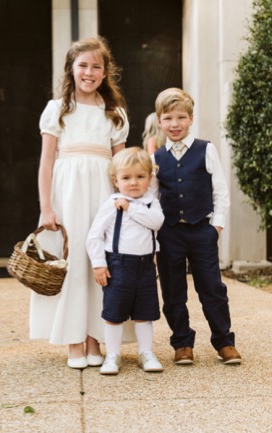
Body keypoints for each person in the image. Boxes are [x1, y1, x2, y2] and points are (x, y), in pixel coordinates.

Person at [31, 36, 130, 369]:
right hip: (68, 192)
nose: (89, 72)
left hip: (103, 193)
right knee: (73, 265)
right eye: (83, 65)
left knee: (101, 264)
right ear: (71, 69)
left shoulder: (114, 114)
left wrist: (124, 203)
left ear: (105, 73)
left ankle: (95, 338)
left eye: (96, 67)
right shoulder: (56, 110)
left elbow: (122, 166)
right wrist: (47, 207)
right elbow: (46, 163)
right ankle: (74, 339)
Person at [150, 87, 240, 365]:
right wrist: (154, 235)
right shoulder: (157, 158)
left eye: (180, 117)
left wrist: (216, 227)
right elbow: (152, 199)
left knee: (212, 288)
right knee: (173, 290)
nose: (174, 124)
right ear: (159, 121)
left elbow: (220, 191)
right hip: (169, 234)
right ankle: (182, 343)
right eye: (168, 118)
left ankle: (224, 341)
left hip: (202, 230)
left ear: (190, 119)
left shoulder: (206, 149)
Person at [85, 148, 165, 375]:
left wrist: (130, 207)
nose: (133, 183)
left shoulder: (151, 204)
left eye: (140, 177)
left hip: (146, 267)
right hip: (118, 266)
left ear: (149, 179)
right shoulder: (112, 203)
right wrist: (99, 263)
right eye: (126, 178)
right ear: (116, 180)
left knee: (145, 313)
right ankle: (112, 355)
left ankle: (146, 353)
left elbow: (156, 223)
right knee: (114, 313)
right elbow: (94, 236)